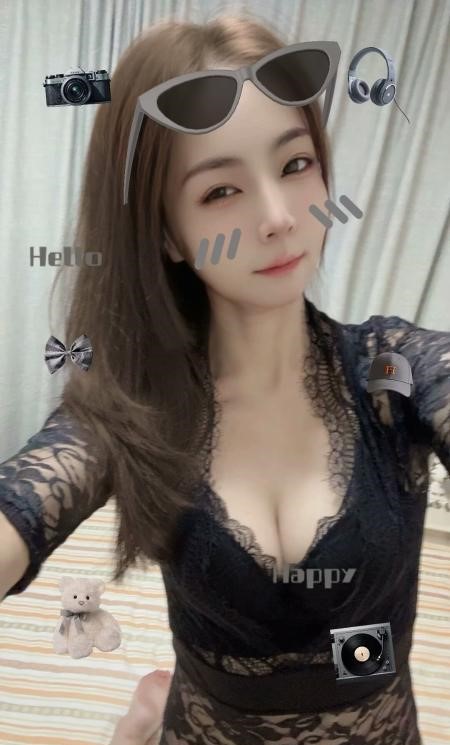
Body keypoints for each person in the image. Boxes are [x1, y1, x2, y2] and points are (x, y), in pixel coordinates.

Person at [0, 13, 449, 745]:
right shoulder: (135, 406)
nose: (278, 218)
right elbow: (31, 493)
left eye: (295, 165)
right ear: (166, 233)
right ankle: (148, 712)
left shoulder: (395, 368)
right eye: (219, 192)